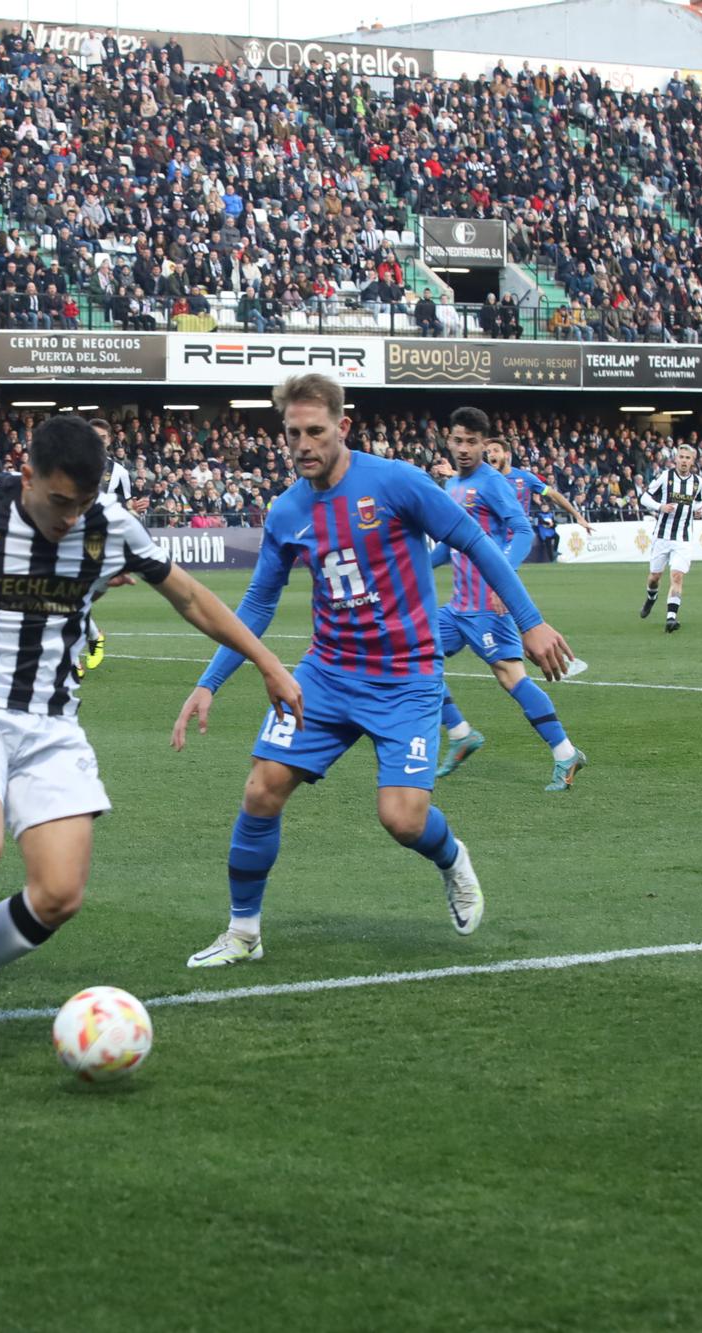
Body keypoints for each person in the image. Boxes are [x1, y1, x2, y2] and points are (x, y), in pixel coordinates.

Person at [0, 416, 303, 1068]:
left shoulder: (109, 522)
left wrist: (268, 662)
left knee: (59, 895)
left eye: (82, 503)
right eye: (58, 501)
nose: (70, 518)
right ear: (28, 473)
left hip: (51, 723)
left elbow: (187, 596)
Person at [170, 375, 575, 970]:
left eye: (315, 431)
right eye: (292, 434)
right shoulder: (286, 511)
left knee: (402, 819)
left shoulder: (395, 482)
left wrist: (531, 621)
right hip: (327, 675)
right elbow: (257, 605)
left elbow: (475, 542)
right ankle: (243, 932)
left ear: (343, 427)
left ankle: (452, 858)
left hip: (407, 677)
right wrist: (209, 682)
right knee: (261, 790)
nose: (303, 444)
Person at [428, 410, 588, 793]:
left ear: (485, 445)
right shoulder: (452, 487)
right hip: (457, 606)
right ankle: (462, 733)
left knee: (510, 678)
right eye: (458, 441)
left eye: (472, 442)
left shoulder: (492, 483)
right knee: (412, 655)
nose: (464, 449)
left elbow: (521, 531)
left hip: (489, 605)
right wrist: (409, 567)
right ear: (448, 442)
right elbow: (449, 546)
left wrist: (505, 579)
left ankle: (565, 752)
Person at [78, 419, 150, 677]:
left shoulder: (118, 472)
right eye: (94, 436)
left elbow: (129, 506)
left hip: (101, 543)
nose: (99, 441)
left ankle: (87, 643)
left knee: (73, 597)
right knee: (68, 596)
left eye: (103, 437)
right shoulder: (71, 465)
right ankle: (87, 643)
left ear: (109, 440)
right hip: (71, 538)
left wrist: (135, 510)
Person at [638, 444, 702, 632]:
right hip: (662, 536)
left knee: (677, 576)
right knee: (654, 577)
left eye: (687, 458)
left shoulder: (698, 482)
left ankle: (671, 617)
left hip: (683, 538)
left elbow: (697, 502)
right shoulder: (666, 477)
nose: (684, 460)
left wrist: (698, 511)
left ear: (693, 461)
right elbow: (644, 498)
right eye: (681, 457)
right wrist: (659, 507)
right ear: (676, 458)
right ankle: (651, 598)